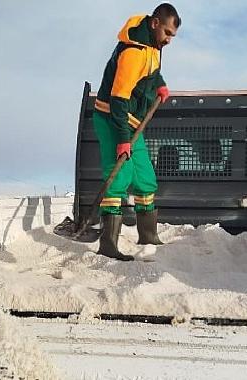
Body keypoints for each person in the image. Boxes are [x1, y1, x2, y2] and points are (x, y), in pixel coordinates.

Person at [93, 3, 180, 261]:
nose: (169, 39)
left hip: (131, 120)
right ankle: (108, 244)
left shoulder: (153, 47)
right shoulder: (133, 53)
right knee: (119, 176)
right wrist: (122, 139)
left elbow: (152, 74)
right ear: (154, 23)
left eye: (172, 35)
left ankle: (148, 235)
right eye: (167, 32)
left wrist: (161, 85)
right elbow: (119, 98)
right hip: (112, 117)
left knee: (144, 177)